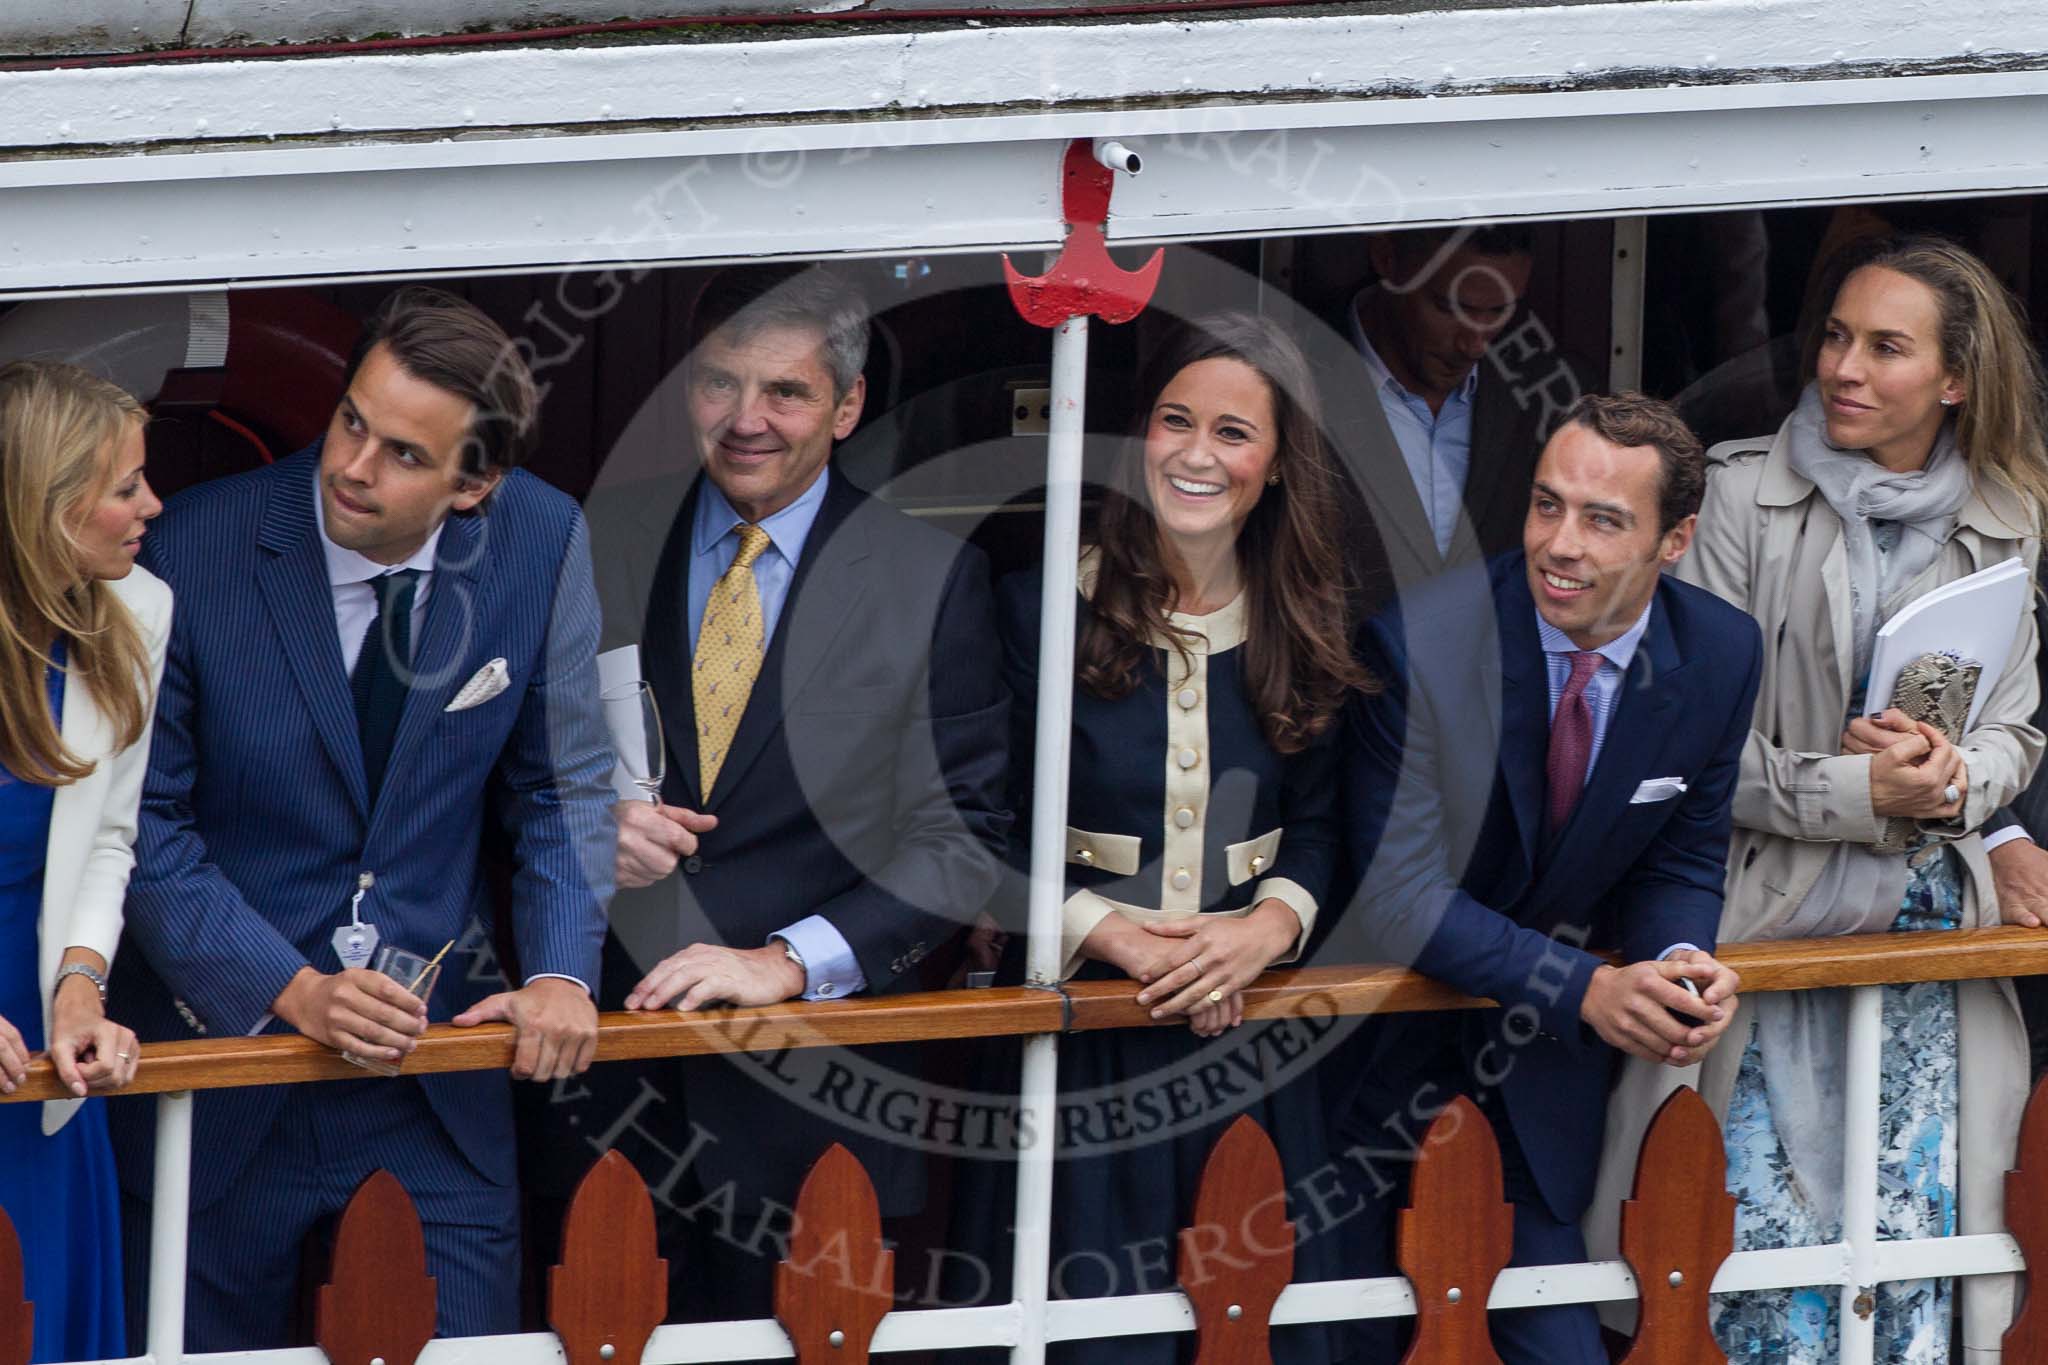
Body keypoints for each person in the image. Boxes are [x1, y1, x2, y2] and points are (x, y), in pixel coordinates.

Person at [109, 287, 616, 1350]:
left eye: (401, 454)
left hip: (435, 1079)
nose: (351, 465)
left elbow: (559, 786)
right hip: (224, 1069)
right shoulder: (194, 548)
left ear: (473, 484)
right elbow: (143, 825)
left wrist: (563, 973)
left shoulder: (542, 540)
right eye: (351, 421)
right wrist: (290, 990)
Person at [562, 264, 1009, 1320]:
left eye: (787, 393)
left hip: (823, 1091)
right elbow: (508, 763)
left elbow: (963, 839)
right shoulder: (598, 538)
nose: (746, 419)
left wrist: (785, 962)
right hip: (613, 1078)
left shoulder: (928, 575)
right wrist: (587, 824)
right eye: (720, 384)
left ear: (847, 406)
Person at [1673, 235, 2046, 1362]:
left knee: (1914, 1241)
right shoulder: (1732, 497)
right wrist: (1857, 790)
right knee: (1755, 1258)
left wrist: (1950, 781)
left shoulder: (2008, 513)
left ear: (1953, 382)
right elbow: (1684, 758)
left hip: (1929, 939)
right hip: (1760, 927)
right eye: (1835, 335)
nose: (1841, 366)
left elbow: (2013, 732)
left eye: (1883, 347)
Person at [975, 311, 1367, 1364]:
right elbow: (972, 830)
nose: (1197, 454)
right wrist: (1111, 935)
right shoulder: (1035, 607)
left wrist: (1264, 929)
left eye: (1233, 432)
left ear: (1278, 463)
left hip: (1249, 1049)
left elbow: (1326, 824)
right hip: (1078, 1041)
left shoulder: (1314, 620)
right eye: (1173, 421)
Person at [1334, 392, 1759, 1363]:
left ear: (1675, 540)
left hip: (1538, 1092)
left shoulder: (1720, 653)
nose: (1558, 544)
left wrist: (1678, 964)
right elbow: (1395, 896)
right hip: (1366, 1085)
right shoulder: (1419, 643)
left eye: (1602, 519)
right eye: (1544, 504)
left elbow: (1682, 854)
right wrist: (1591, 991)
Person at [0, 361, 164, 1363]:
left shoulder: (140, 612)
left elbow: (109, 834)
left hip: (44, 1072)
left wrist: (79, 989)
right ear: (47, 507)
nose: (152, 503)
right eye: (123, 487)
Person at [1303, 224, 1583, 617]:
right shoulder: (1287, 380)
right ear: (1387, 259)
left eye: (1499, 311)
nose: (1475, 342)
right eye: (1450, 307)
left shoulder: (1547, 399)